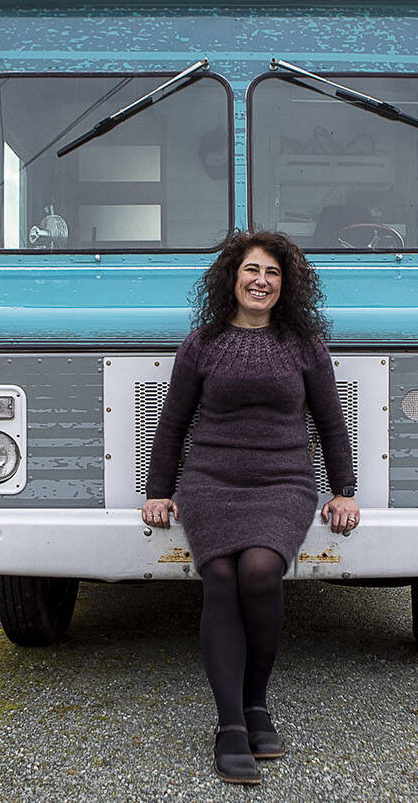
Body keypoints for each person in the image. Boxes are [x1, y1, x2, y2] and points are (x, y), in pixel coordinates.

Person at [142, 231, 359, 785]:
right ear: (232, 278)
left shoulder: (304, 344)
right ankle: (231, 725)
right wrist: (158, 491)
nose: (261, 281)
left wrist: (345, 490)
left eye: (273, 273)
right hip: (211, 479)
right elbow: (173, 423)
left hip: (283, 479)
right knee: (219, 575)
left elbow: (331, 423)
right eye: (252, 271)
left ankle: (257, 702)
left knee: (260, 570)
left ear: (286, 286)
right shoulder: (202, 344)